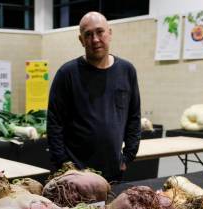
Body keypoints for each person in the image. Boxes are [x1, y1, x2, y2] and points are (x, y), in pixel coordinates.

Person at [47, 11, 141, 181]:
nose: (95, 39)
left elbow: (134, 116)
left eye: (100, 32)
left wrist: (128, 156)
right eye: (88, 34)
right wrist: (64, 165)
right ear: (81, 40)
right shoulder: (67, 73)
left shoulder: (126, 71)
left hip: (113, 171)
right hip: (76, 175)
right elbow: (54, 124)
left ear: (110, 33)